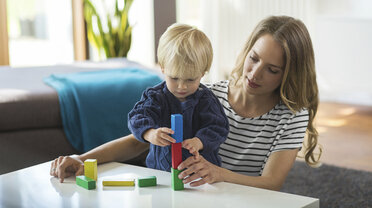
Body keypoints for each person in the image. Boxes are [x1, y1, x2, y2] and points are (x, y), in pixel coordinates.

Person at [50, 15, 321, 191]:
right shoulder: (206, 94)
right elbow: (138, 141)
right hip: (197, 195)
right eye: (254, 58)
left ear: (290, 73)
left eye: (272, 70)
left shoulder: (292, 115)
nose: (255, 73)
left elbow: (271, 183)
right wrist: (82, 159)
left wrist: (218, 173)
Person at [128, 23, 229, 171]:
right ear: (162, 68)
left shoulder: (206, 100)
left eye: (190, 79)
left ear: (202, 73)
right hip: (160, 172)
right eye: (174, 78)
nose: (182, 86)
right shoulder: (156, 97)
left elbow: (218, 127)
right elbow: (137, 117)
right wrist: (150, 133)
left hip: (199, 174)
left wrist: (199, 141)